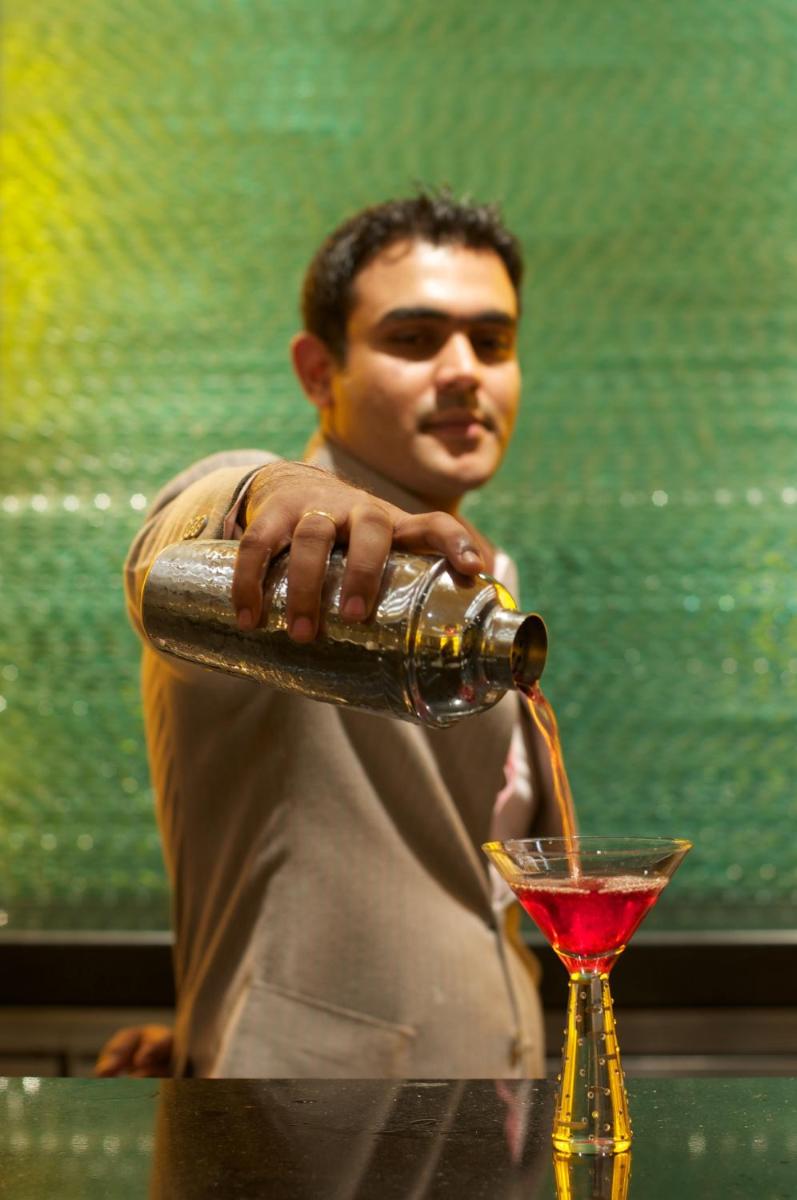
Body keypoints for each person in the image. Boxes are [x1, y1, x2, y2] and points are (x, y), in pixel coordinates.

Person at [96, 190, 562, 1080]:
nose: (463, 369)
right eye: (414, 339)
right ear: (319, 373)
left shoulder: (480, 575)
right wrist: (257, 489)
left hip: (486, 1120)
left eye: (492, 341)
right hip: (312, 1134)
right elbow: (163, 555)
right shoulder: (282, 556)